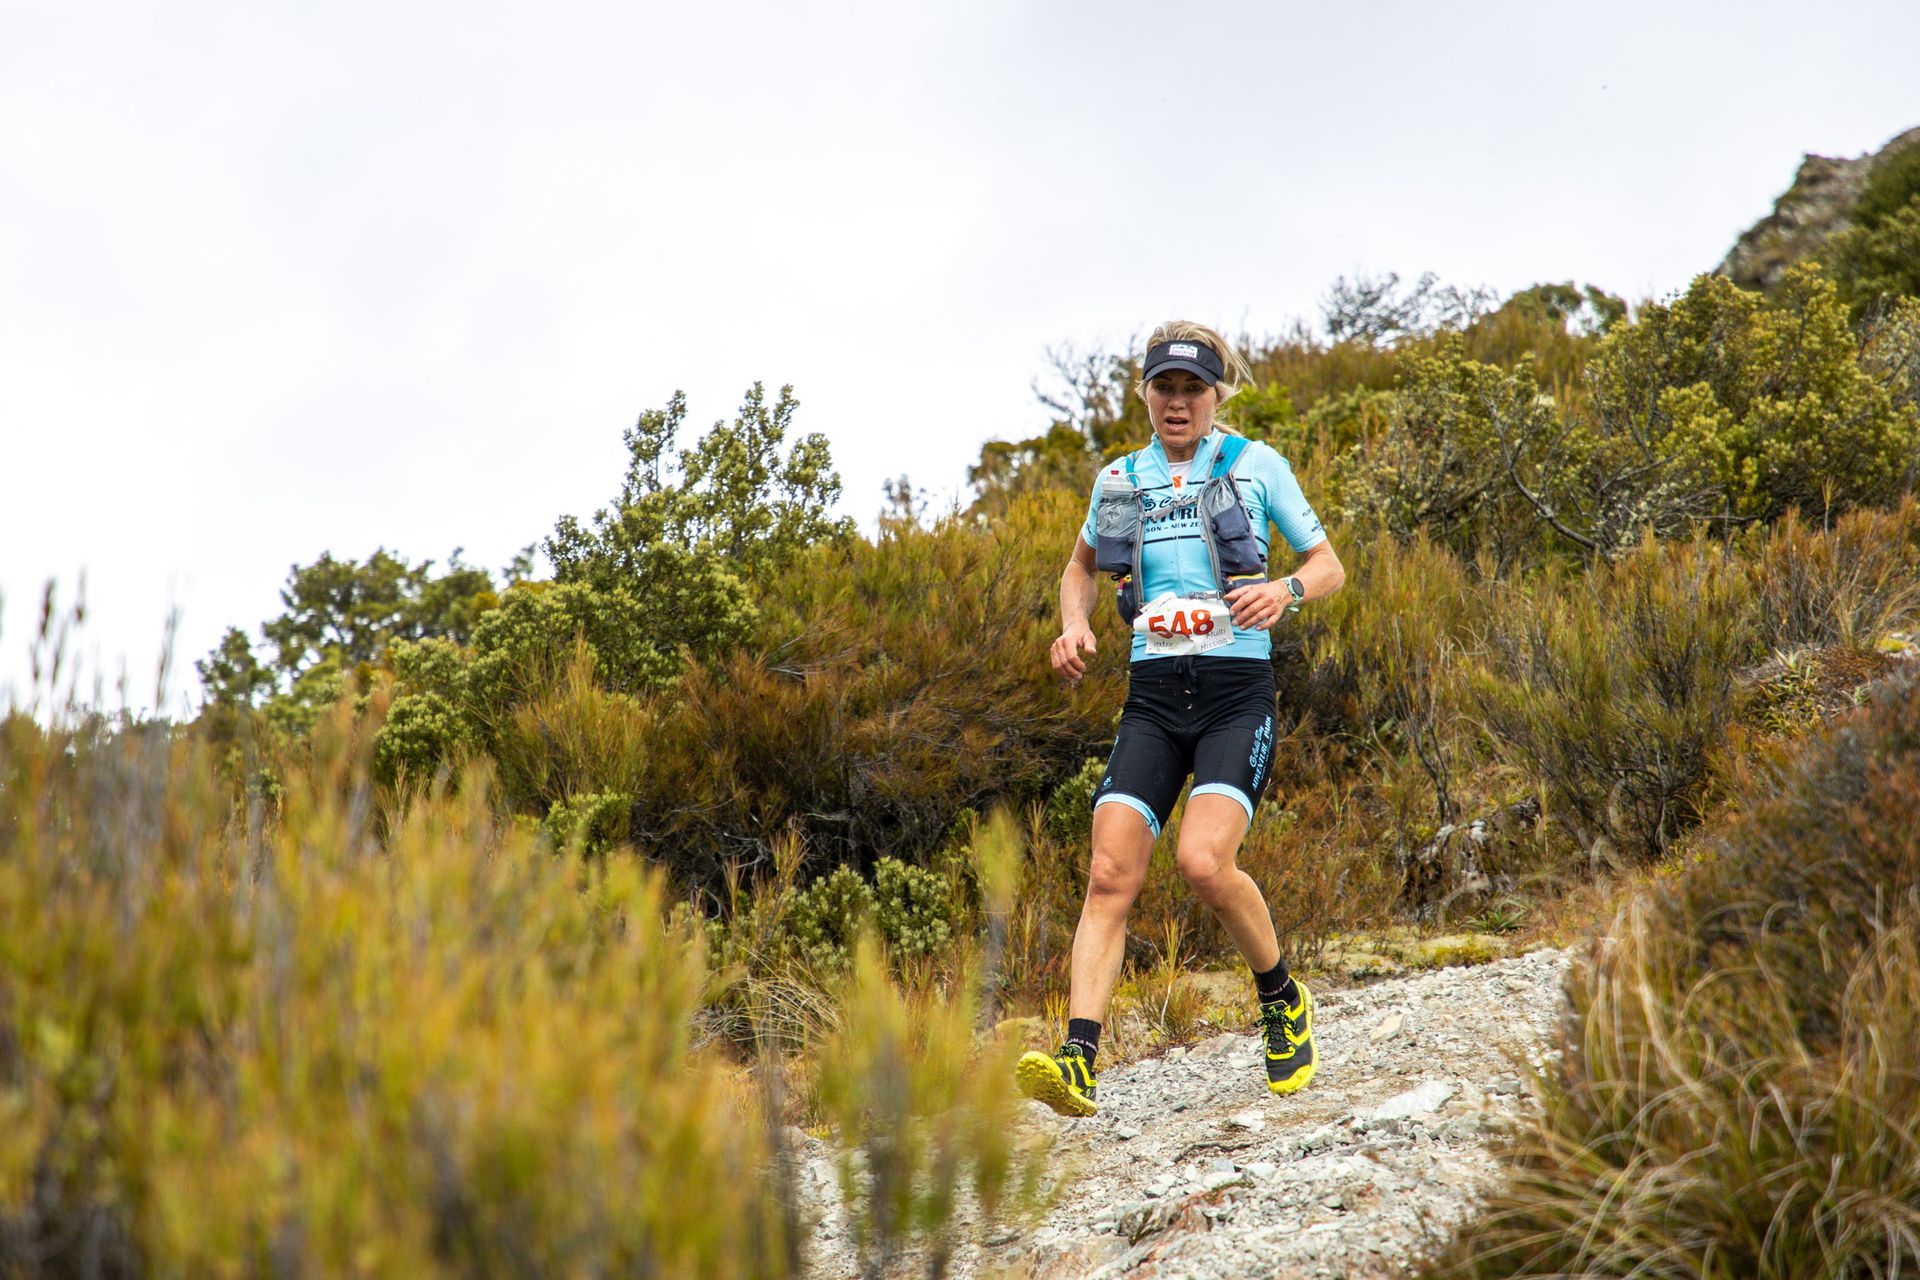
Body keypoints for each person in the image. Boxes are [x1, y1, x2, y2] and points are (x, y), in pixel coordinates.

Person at [1016, 321, 1346, 1118]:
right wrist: (1074, 624)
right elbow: (1081, 567)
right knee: (1108, 875)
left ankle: (1280, 998)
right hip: (1155, 700)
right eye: (1164, 386)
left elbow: (1328, 564)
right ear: (1145, 394)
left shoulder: (1257, 465)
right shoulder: (1119, 479)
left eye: (1193, 388)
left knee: (1203, 862)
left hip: (1236, 695)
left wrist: (1285, 592)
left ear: (1216, 395)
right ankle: (1079, 1061)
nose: (1177, 401)